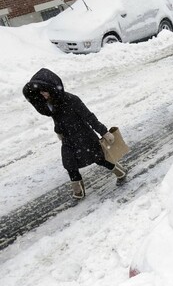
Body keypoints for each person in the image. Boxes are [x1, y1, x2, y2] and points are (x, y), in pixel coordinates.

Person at [22, 68, 127, 200]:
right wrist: (59, 132)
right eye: (40, 92)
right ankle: (78, 192)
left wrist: (104, 132)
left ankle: (120, 172)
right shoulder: (50, 105)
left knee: (99, 159)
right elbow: (57, 120)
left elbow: (90, 117)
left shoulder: (72, 100)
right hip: (67, 139)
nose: (43, 95)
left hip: (84, 136)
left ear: (52, 88)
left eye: (45, 91)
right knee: (69, 164)